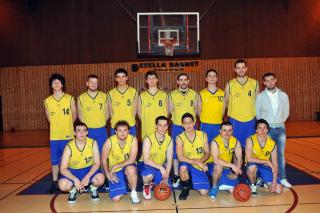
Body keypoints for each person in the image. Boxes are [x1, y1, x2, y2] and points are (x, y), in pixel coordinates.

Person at [256, 72, 291, 188]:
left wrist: (280, 121)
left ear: (275, 80)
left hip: (280, 128)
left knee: (280, 154)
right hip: (267, 130)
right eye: (267, 80)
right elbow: (257, 113)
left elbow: (286, 112)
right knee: (266, 156)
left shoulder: (283, 95)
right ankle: (266, 179)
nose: (270, 82)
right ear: (263, 83)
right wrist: (264, 128)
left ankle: (283, 178)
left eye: (272, 80)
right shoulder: (260, 97)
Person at [44, 73, 77, 193]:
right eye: (54, 82)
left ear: (62, 84)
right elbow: (49, 119)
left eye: (58, 82)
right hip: (54, 137)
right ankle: (54, 182)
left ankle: (71, 180)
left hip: (68, 135)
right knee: (55, 162)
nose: (56, 84)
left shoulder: (69, 98)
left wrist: (68, 126)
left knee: (69, 161)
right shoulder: (47, 101)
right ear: (51, 86)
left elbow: (74, 115)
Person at [58, 122, 105, 203]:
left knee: (101, 179)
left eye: (84, 130)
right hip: (73, 171)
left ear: (87, 132)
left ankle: (92, 189)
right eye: (78, 130)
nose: (81, 133)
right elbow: (62, 169)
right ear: (74, 133)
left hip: (88, 169)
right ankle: (73, 191)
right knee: (62, 185)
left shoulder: (93, 143)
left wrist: (87, 177)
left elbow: (97, 163)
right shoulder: (69, 146)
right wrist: (75, 179)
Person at [101, 120, 140, 203]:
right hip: (115, 171)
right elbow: (103, 160)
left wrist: (115, 166)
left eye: (125, 130)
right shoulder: (109, 141)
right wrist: (107, 174)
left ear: (129, 131)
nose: (122, 133)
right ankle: (125, 182)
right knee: (116, 199)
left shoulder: (133, 139)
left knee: (131, 170)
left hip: (128, 166)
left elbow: (132, 159)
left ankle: (133, 192)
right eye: (120, 130)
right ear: (115, 131)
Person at [169, 73, 198, 187]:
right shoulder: (172, 95)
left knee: (191, 150)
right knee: (176, 153)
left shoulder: (194, 94)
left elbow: (196, 110)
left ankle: (190, 174)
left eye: (185, 80)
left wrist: (190, 123)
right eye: (181, 80)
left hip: (191, 127)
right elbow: (170, 111)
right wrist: (181, 122)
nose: (183, 82)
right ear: (178, 82)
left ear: (188, 81)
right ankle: (176, 175)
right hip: (177, 126)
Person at [224, 59, 259, 148]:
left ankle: (250, 162)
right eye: (238, 68)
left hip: (250, 119)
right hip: (235, 120)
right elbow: (226, 102)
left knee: (250, 146)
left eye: (243, 67)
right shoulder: (230, 84)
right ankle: (237, 162)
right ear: (235, 70)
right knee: (236, 147)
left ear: (246, 69)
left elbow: (258, 102)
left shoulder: (254, 83)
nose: (241, 70)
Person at [176, 113, 210, 200]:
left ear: (194, 123)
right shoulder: (179, 138)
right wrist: (198, 162)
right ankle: (185, 188)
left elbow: (207, 153)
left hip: (200, 162)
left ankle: (192, 179)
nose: (188, 125)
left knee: (204, 193)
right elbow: (180, 157)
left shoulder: (203, 135)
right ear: (182, 125)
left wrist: (200, 162)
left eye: (190, 122)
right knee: (183, 167)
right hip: (187, 162)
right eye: (185, 123)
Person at [246, 119, 283, 197]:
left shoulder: (272, 144)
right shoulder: (250, 140)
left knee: (278, 190)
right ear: (256, 130)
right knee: (252, 167)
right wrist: (267, 161)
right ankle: (253, 185)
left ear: (268, 130)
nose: (262, 130)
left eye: (264, 128)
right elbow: (249, 158)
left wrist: (274, 182)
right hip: (252, 164)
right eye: (260, 128)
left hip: (264, 167)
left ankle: (261, 181)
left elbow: (275, 164)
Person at [207, 121, 242, 199]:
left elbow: (239, 159)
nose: (227, 133)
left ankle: (221, 182)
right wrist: (232, 165)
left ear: (232, 131)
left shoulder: (236, 142)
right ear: (220, 131)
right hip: (212, 165)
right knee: (218, 167)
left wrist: (236, 174)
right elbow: (216, 160)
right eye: (224, 130)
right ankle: (214, 187)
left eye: (229, 130)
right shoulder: (215, 142)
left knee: (232, 191)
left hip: (226, 167)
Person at [141, 116, 173, 200]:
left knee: (167, 188)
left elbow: (169, 161)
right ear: (156, 126)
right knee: (149, 175)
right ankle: (146, 186)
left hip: (159, 165)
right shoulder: (148, 139)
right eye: (160, 125)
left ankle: (153, 183)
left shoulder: (169, 139)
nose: (163, 128)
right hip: (146, 164)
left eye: (165, 125)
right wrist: (161, 168)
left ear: (167, 127)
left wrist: (165, 177)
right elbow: (146, 160)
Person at [78, 74, 108, 153]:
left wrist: (100, 122)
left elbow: (107, 113)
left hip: (101, 130)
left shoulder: (104, 96)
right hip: (88, 130)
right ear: (87, 83)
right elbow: (80, 115)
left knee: (102, 153)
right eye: (91, 82)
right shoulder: (81, 98)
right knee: (88, 153)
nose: (93, 84)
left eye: (96, 82)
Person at [138, 71, 168, 140]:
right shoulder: (141, 96)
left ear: (157, 80)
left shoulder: (164, 95)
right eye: (149, 78)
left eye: (154, 78)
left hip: (162, 129)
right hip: (147, 130)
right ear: (146, 81)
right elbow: (139, 114)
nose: (152, 80)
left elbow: (168, 111)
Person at [107, 68, 138, 136]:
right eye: (119, 77)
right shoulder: (111, 93)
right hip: (115, 126)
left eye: (123, 76)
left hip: (130, 125)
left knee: (132, 146)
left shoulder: (133, 91)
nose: (121, 79)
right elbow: (110, 111)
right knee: (115, 146)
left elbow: (135, 109)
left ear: (126, 78)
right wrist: (115, 121)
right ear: (116, 79)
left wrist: (131, 119)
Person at [198, 69, 225, 143]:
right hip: (205, 125)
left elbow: (223, 110)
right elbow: (198, 111)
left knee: (218, 146)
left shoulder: (222, 93)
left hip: (218, 124)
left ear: (217, 78)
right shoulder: (201, 93)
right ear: (206, 79)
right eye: (209, 76)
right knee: (206, 146)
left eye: (214, 76)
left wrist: (217, 118)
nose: (212, 78)